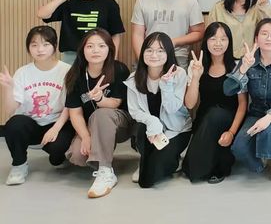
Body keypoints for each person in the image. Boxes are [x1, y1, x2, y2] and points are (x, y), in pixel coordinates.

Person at [224, 18, 271, 183]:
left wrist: (269, 117)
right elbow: (228, 90)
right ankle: (262, 161)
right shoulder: (247, 60)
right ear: (256, 38)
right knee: (239, 148)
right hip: (256, 113)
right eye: (264, 34)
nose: (269, 38)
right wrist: (243, 68)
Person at [63, 29, 133, 198]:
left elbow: (115, 103)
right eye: (90, 46)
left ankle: (105, 171)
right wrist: (86, 137)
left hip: (119, 123)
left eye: (101, 46)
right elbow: (75, 113)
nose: (95, 50)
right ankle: (102, 154)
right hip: (91, 126)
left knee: (101, 114)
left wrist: (100, 98)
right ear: (82, 50)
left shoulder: (119, 69)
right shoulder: (75, 74)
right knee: (78, 156)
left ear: (110, 49)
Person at [1, 26, 73, 185]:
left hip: (57, 122)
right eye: (34, 45)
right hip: (31, 124)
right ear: (28, 48)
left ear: (55, 46)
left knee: (57, 154)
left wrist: (55, 129)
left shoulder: (67, 71)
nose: (40, 49)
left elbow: (71, 105)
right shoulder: (22, 73)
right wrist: (9, 88)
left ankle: (58, 155)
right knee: (14, 125)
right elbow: (10, 109)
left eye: (46, 44)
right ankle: (19, 165)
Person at [182, 22, 247, 184]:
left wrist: (231, 132)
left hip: (231, 120)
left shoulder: (237, 66)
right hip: (204, 120)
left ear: (229, 42)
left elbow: (242, 105)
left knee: (216, 114)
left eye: (223, 39)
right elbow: (190, 104)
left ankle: (219, 165)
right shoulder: (196, 65)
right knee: (190, 168)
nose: (218, 43)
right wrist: (196, 77)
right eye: (213, 39)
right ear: (206, 41)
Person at [125, 32, 192, 188]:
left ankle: (171, 160)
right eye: (149, 50)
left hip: (176, 130)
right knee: (145, 181)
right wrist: (152, 122)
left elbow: (172, 108)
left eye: (160, 50)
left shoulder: (178, 74)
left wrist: (166, 86)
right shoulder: (134, 78)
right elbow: (134, 111)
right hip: (149, 131)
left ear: (168, 53)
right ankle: (145, 160)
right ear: (143, 53)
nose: (154, 55)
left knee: (150, 177)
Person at [37, 0, 125, 64]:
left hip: (99, 55)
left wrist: (112, 60)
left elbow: (115, 34)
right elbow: (41, 14)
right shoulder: (69, 1)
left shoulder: (109, 4)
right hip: (72, 56)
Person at [131, 0, 205, 68]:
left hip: (177, 56)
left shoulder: (190, 1)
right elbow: (137, 34)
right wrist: (142, 60)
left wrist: (173, 42)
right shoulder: (142, 0)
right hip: (149, 55)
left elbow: (199, 33)